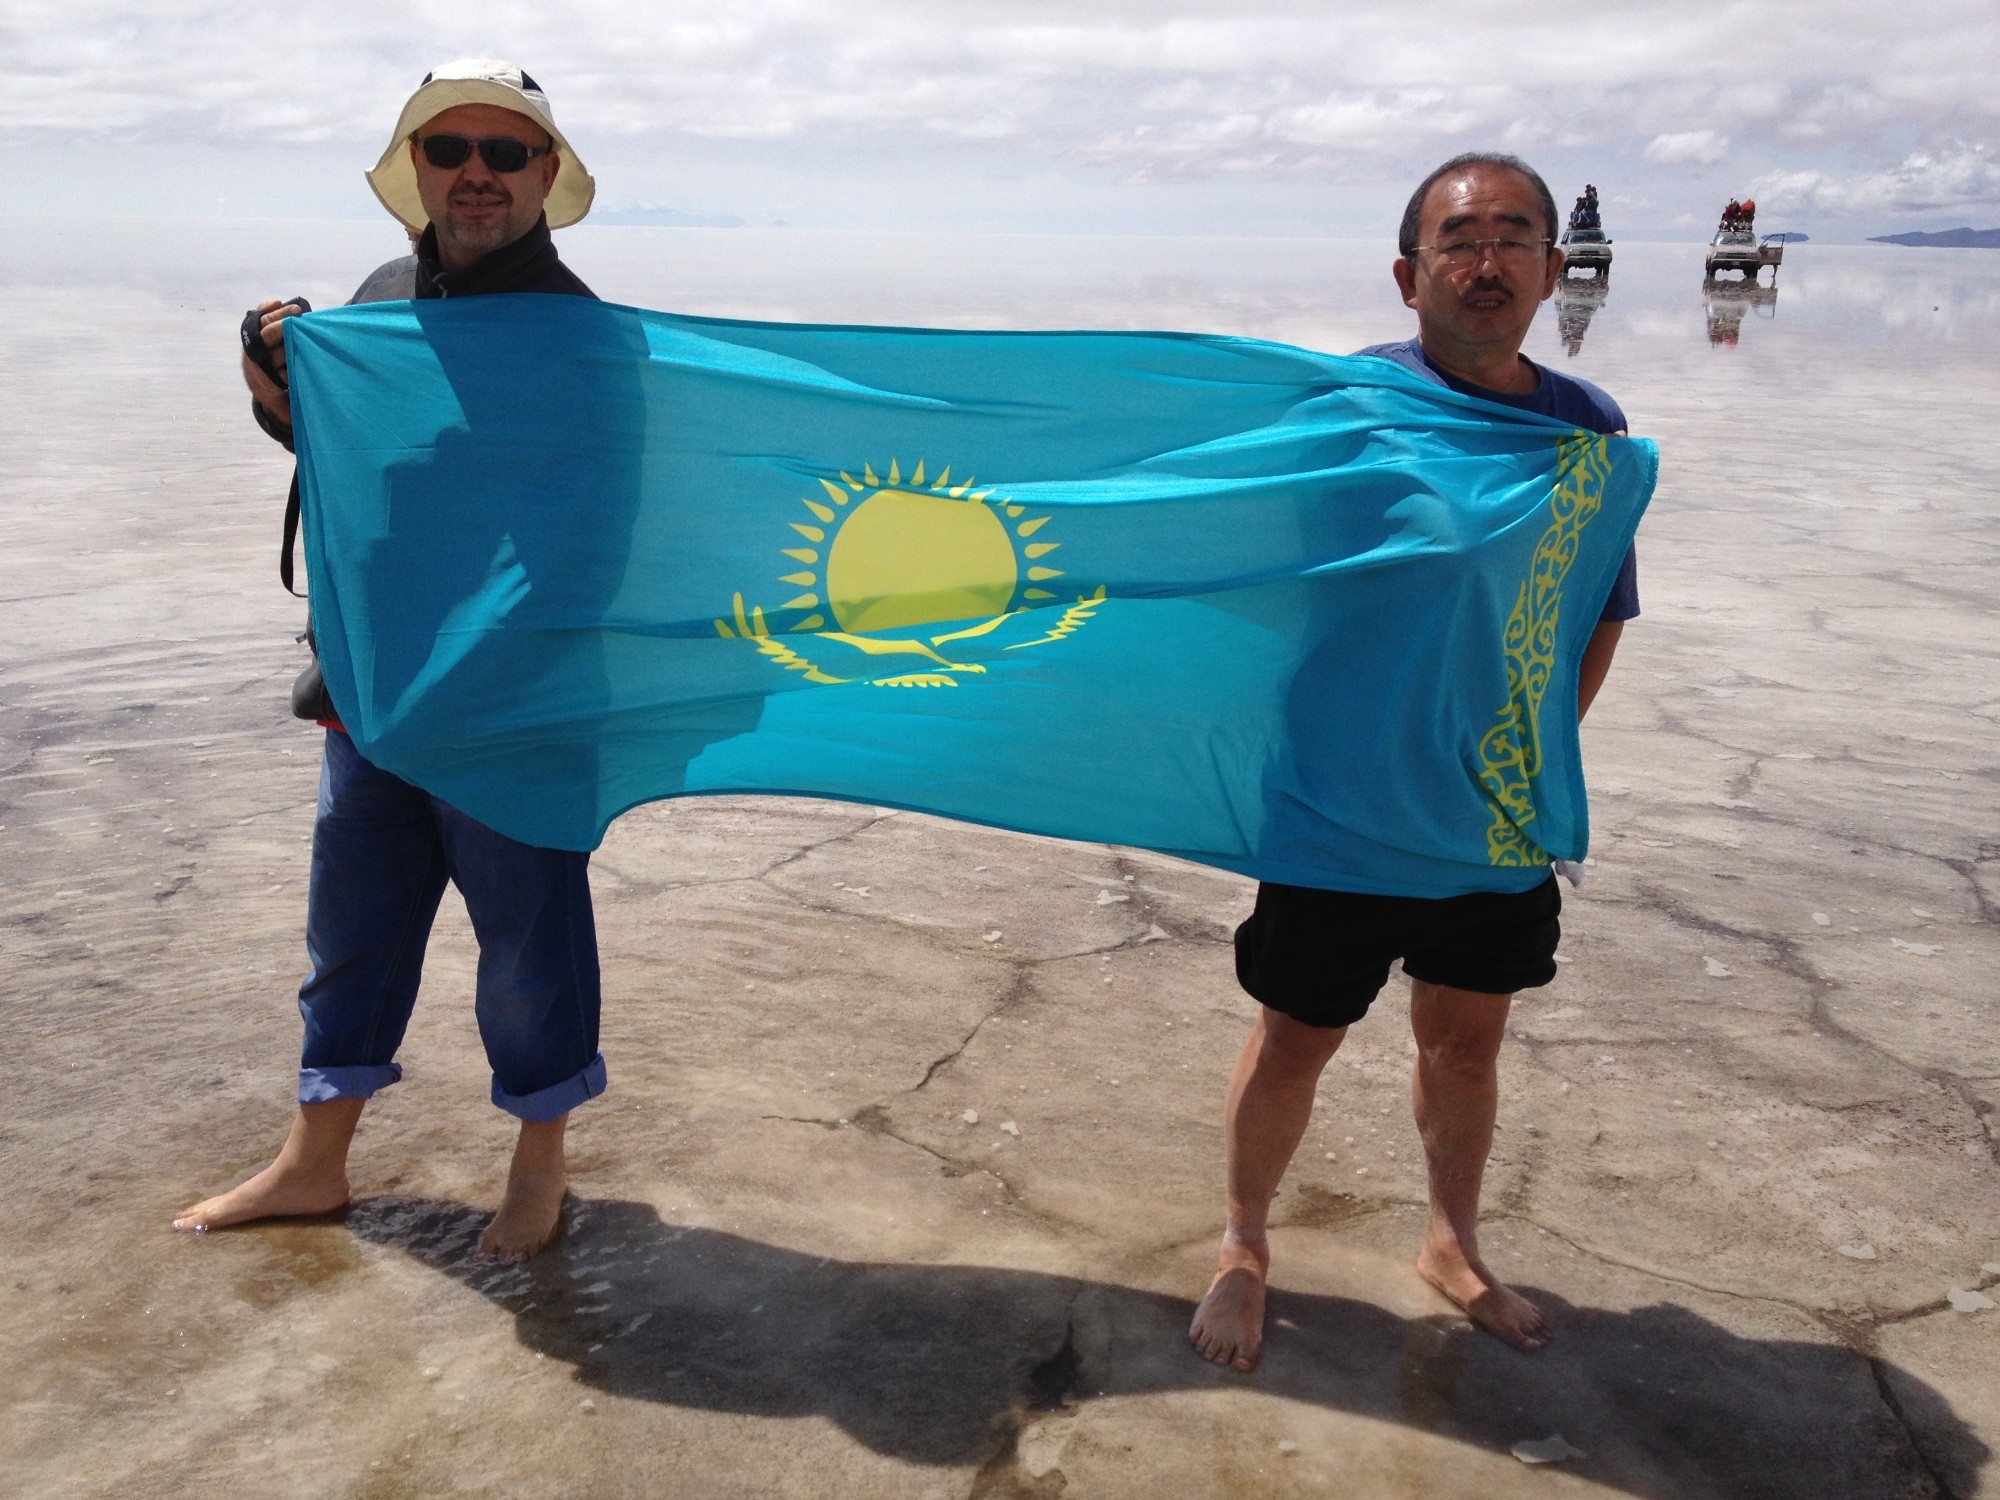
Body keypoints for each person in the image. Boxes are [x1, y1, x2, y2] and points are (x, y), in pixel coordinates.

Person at [1189, 151, 1638, 1369]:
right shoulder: (1346, 412)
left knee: (1466, 1040)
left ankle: (1449, 1243)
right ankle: (1241, 1245)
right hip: (1337, 804)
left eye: (1511, 237)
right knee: (1296, 1033)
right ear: (1407, 273)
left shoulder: (1586, 433)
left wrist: (1534, 761)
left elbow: (1592, 614)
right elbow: (1243, 569)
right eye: (1457, 240)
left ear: (1554, 267)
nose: (1484, 261)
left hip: (1489, 819)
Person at [174, 59, 607, 1263]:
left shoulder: (579, 335)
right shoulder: (372, 297)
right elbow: (340, 460)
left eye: (505, 154)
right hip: (367, 697)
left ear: (545, 174)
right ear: (415, 168)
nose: (476, 175)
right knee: (351, 936)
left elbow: (603, 536)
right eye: (449, 151)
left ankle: (539, 1169)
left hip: (509, 711)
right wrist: (274, 380)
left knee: (529, 952)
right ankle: (313, 1164)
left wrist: (524, 679)